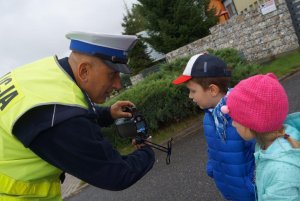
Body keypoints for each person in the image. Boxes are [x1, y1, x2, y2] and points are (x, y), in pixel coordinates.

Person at [0, 31, 155, 200]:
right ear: (84, 71)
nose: (118, 84)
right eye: (112, 75)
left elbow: (68, 103)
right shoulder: (58, 118)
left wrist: (108, 113)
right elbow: (116, 174)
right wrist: (147, 150)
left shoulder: (44, 73)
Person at [172, 53, 255, 201]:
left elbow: (261, 150)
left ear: (212, 90)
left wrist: (252, 184)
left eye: (193, 91)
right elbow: (213, 147)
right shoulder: (209, 117)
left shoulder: (241, 115)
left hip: (251, 193)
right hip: (229, 189)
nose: (190, 96)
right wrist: (213, 168)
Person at [221, 73, 300, 201]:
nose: (233, 123)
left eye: (235, 118)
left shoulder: (281, 174)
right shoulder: (272, 141)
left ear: (251, 124)